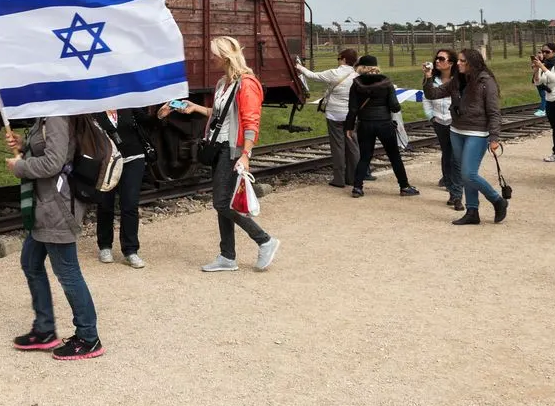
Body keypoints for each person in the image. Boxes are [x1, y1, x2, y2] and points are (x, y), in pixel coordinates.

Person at [162, 36, 280, 272]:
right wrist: (195, 108)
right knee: (222, 203)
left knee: (222, 203)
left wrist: (245, 154)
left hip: (232, 150)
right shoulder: (222, 83)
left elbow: (251, 122)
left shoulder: (247, 84)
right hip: (218, 148)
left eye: (214, 54)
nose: (211, 58)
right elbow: (220, 114)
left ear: (225, 57)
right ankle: (227, 256)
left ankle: (264, 240)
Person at [6, 115, 103, 360]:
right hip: (46, 205)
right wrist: (23, 146)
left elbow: (54, 162)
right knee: (30, 261)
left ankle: (88, 337)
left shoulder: (57, 116)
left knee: (68, 272)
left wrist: (21, 167)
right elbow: (46, 150)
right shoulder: (47, 114)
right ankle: (44, 329)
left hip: (57, 207)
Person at [422, 48, 508, 225]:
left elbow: (494, 112)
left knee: (468, 173)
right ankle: (472, 211)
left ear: (472, 63)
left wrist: (494, 137)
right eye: (458, 61)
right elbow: (433, 94)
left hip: (477, 132)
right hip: (456, 131)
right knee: (465, 173)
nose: (458, 64)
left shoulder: (486, 81)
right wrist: (428, 77)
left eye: (462, 61)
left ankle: (497, 200)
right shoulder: (457, 80)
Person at [344, 55, 419, 198]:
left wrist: (349, 127)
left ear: (361, 67)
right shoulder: (386, 82)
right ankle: (404, 186)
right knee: (394, 156)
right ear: (376, 66)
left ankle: (357, 188)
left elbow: (352, 108)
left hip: (365, 124)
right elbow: (395, 107)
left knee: (365, 156)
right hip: (384, 124)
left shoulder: (356, 83)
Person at [95, 107, 153, 268]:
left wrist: (161, 115)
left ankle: (131, 250)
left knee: (130, 204)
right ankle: (105, 246)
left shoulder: (128, 103)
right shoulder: (94, 109)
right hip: (106, 161)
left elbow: (148, 122)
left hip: (133, 157)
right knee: (105, 204)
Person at [295, 49, 362, 187]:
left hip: (334, 114)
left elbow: (313, 76)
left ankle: (339, 179)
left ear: (343, 59)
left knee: (338, 146)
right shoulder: (357, 76)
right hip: (351, 115)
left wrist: (299, 66)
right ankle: (354, 178)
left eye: (338, 58)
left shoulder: (334, 73)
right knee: (353, 146)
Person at [424, 49, 463, 210]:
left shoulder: (459, 79)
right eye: (436, 59)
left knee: (455, 157)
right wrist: (431, 116)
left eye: (441, 59)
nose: (437, 62)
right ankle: (449, 184)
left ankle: (456, 194)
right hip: (439, 120)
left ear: (451, 63)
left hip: (455, 121)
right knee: (446, 153)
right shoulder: (432, 79)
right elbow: (426, 97)